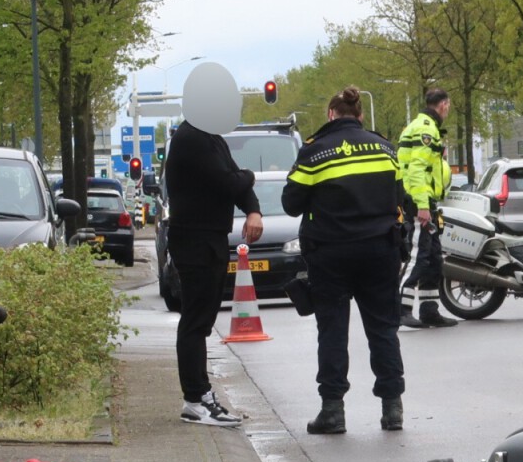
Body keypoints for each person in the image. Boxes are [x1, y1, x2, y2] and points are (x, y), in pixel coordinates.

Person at [282, 86, 410, 434]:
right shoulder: (385, 148)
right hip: (380, 251)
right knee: (384, 328)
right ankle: (392, 408)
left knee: (333, 331)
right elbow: (401, 197)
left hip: (331, 254)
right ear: (360, 116)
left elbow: (291, 203)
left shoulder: (314, 151)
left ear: (330, 115)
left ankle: (333, 411)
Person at [163, 117, 261, 426]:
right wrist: (250, 175)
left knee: (202, 322)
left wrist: (253, 209)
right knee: (195, 321)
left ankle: (200, 395)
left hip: (211, 239)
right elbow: (228, 181)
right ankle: (195, 399)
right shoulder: (191, 138)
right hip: (194, 240)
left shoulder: (212, 137)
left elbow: (234, 180)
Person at [396, 88, 458, 328]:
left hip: (425, 201)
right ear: (443, 105)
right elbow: (418, 170)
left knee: (433, 259)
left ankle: (429, 310)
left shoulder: (423, 125)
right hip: (419, 201)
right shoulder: (426, 128)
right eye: (448, 107)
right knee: (418, 257)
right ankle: (400, 309)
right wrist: (422, 206)